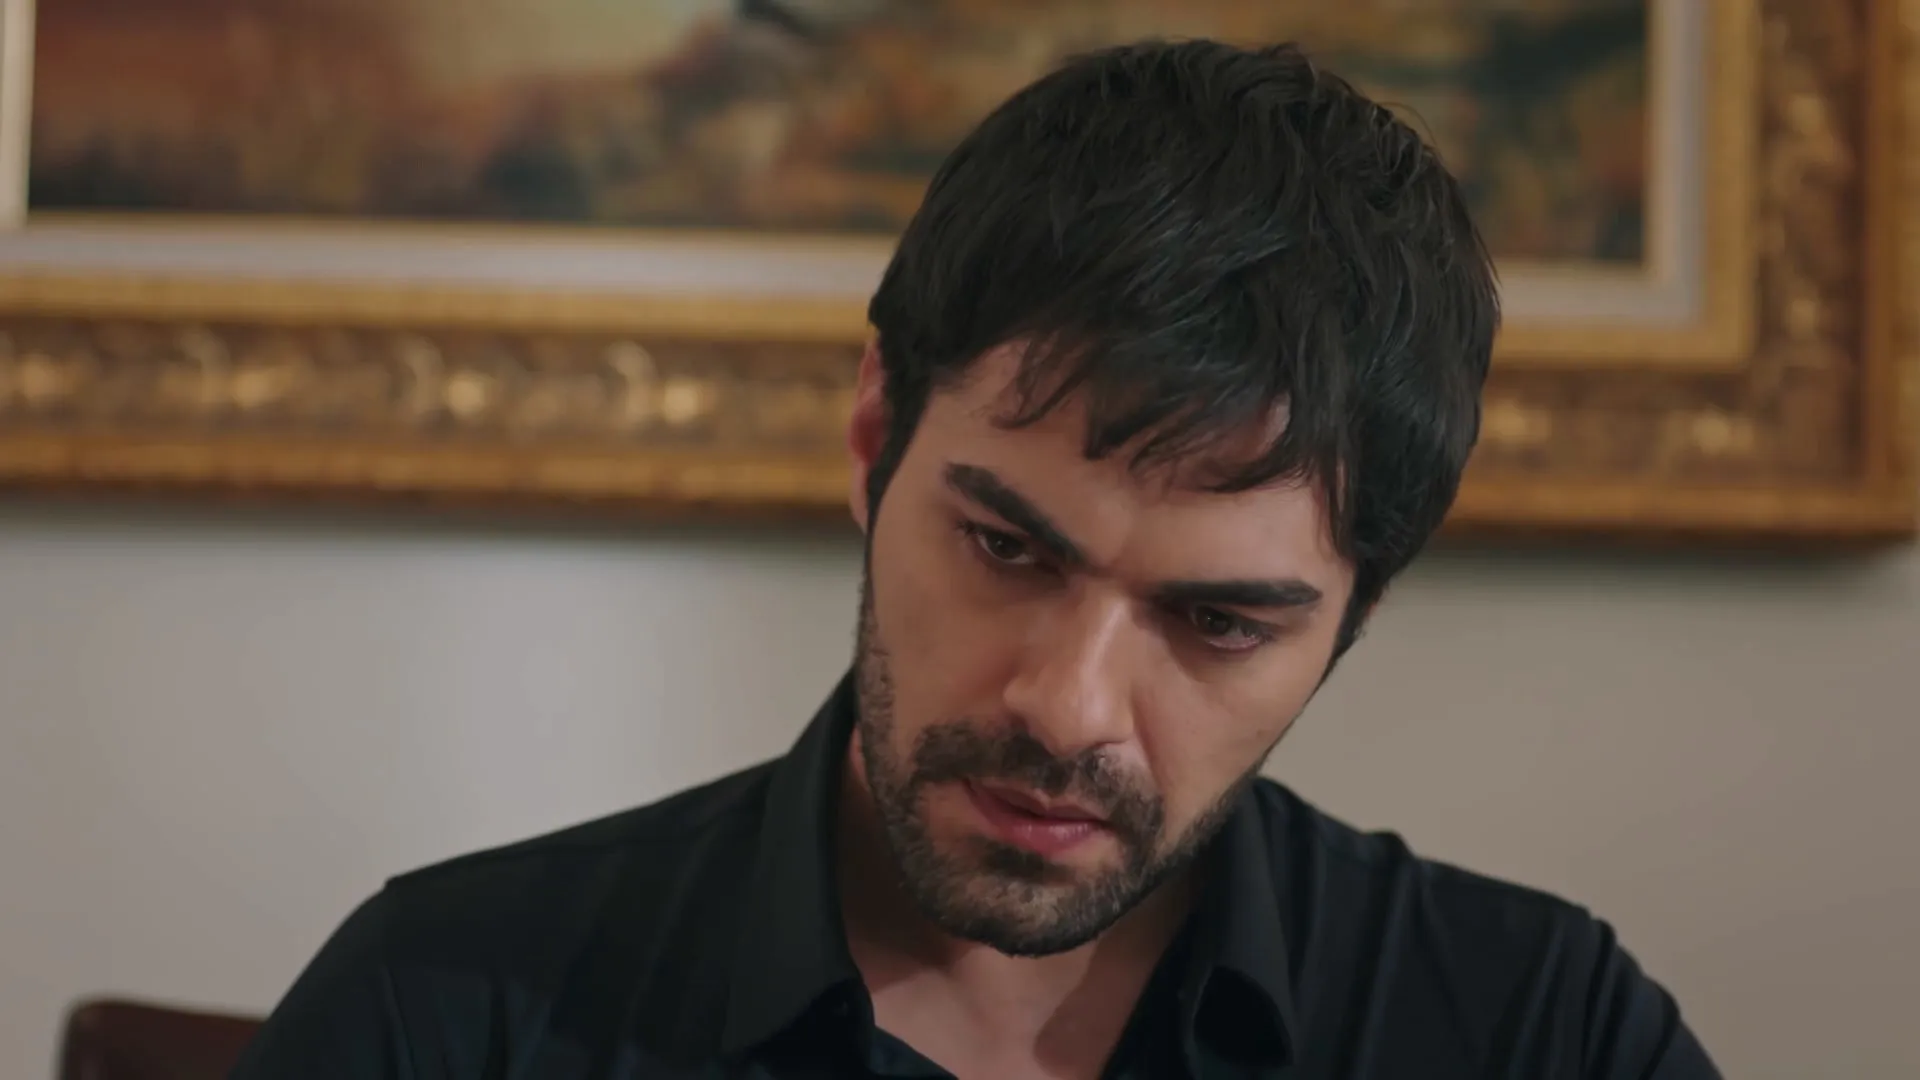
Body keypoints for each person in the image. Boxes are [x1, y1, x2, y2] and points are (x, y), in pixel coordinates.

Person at [231, 39, 1719, 1080]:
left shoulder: (1543, 1033)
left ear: (1355, 616)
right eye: (1007, 547)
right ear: (873, 436)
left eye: (1217, 623)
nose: (1068, 707)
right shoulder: (442, 1014)